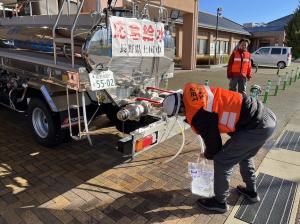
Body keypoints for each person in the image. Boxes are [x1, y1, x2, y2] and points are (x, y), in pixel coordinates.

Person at [162, 83, 276, 213]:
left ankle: (220, 202)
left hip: (255, 127)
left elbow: (215, 146)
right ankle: (251, 192)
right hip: (267, 118)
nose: (183, 115)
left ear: (182, 107)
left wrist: (207, 154)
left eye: (181, 113)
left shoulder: (199, 114)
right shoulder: (196, 93)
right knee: (245, 155)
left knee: (222, 160)